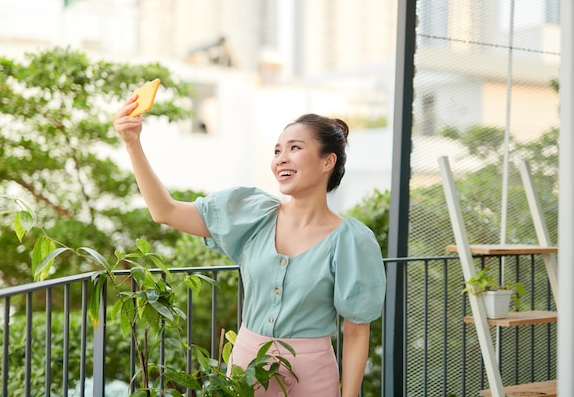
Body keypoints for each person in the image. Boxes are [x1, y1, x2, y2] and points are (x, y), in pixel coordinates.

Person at [113, 93, 387, 397]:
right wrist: (132, 143)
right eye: (277, 150)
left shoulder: (352, 240)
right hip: (246, 368)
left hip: (312, 376)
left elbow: (357, 331)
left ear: (327, 161)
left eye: (295, 148)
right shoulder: (253, 215)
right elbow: (165, 211)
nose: (281, 158)